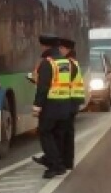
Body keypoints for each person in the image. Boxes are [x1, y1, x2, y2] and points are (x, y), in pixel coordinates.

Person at [31, 33, 77, 179]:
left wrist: (37, 106)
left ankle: (56, 165)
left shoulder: (48, 63)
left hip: (50, 106)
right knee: (57, 135)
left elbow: (43, 87)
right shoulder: (66, 62)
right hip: (64, 104)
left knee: (45, 133)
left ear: (45, 46)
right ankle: (58, 164)